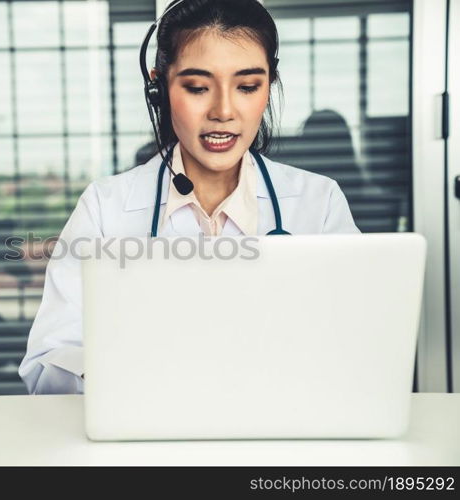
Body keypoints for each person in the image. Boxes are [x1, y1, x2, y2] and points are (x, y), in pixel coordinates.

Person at [19, 0, 360, 394]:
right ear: (159, 86)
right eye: (197, 87)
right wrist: (115, 378)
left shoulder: (319, 204)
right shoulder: (104, 207)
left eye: (248, 86)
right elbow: (48, 366)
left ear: (269, 86)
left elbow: (357, 349)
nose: (224, 111)